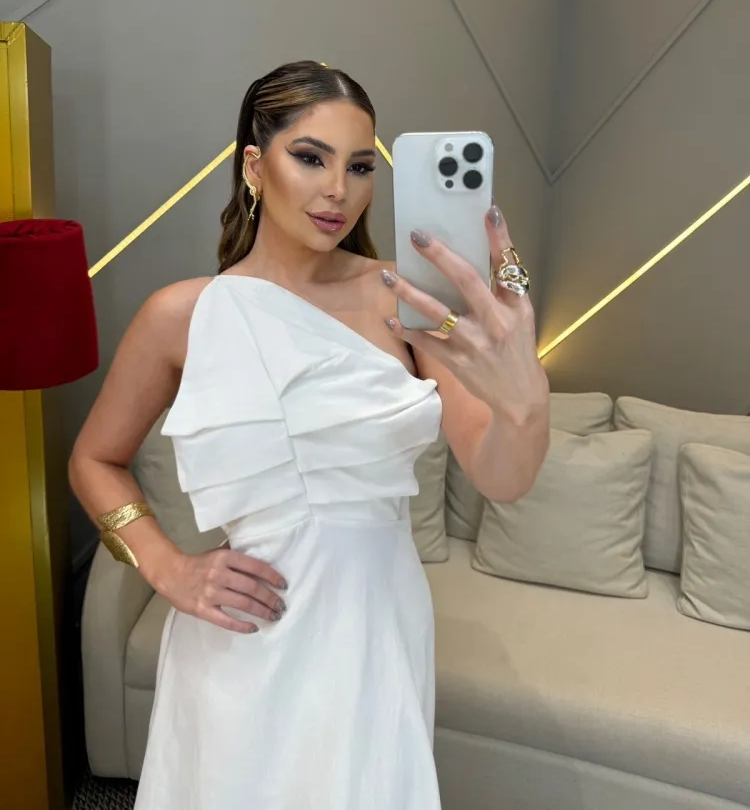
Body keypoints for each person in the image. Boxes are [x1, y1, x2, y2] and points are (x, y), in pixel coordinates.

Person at [69, 61, 550, 809]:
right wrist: (168, 568)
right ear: (254, 165)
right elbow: (94, 460)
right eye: (310, 157)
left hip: (375, 629)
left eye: (359, 166)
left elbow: (503, 478)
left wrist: (525, 399)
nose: (338, 190)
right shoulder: (183, 315)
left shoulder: (406, 300)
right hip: (240, 638)